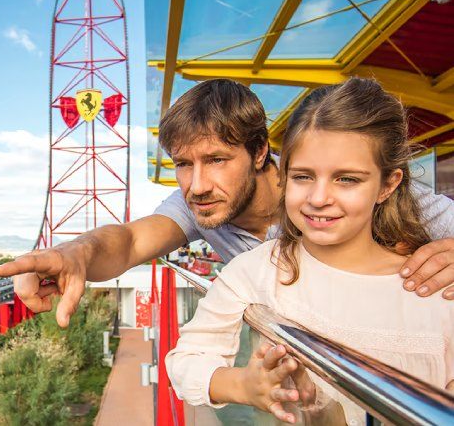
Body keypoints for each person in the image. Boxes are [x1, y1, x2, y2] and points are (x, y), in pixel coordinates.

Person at [0, 79, 454, 328]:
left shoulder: (342, 192)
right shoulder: (203, 207)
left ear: (259, 153)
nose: (196, 185)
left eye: (216, 159)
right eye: (184, 164)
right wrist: (75, 254)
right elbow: (132, 239)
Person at [166, 79, 454, 424]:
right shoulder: (255, 271)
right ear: (283, 176)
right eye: (302, 176)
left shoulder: (438, 290)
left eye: (347, 179)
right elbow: (187, 360)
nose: (318, 198)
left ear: (387, 185)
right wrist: (243, 385)